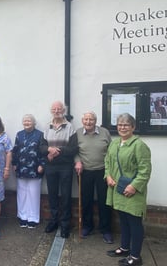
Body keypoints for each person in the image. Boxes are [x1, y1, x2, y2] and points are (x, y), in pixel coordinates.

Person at [105, 113, 151, 266]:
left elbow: (145, 170)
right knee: (123, 221)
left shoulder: (139, 145)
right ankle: (125, 248)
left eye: (126, 125)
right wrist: (108, 176)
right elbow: (108, 162)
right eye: (120, 124)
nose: (122, 127)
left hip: (132, 192)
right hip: (117, 190)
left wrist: (134, 186)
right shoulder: (115, 143)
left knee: (134, 223)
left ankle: (136, 257)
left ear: (133, 127)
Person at [40, 101, 78, 238]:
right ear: (51, 111)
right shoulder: (47, 126)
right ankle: (54, 221)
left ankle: (65, 224)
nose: (57, 111)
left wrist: (58, 151)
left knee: (66, 196)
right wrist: (49, 149)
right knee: (52, 195)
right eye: (54, 109)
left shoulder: (70, 127)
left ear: (63, 110)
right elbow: (41, 147)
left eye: (59, 109)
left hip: (65, 166)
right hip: (50, 166)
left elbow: (74, 148)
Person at [74, 111, 113, 243]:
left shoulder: (104, 132)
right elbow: (74, 151)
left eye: (91, 119)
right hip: (84, 171)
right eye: (86, 119)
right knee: (86, 200)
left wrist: (110, 171)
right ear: (82, 121)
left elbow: (111, 151)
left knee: (104, 201)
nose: (88, 122)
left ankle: (106, 229)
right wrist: (77, 161)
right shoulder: (78, 133)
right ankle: (87, 226)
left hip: (103, 171)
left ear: (95, 121)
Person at [12, 114, 45, 229]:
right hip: (21, 168)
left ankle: (33, 218)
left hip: (35, 169)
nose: (27, 123)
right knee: (22, 194)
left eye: (29, 121)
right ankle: (22, 217)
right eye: (25, 121)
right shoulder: (19, 134)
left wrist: (42, 164)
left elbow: (43, 151)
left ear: (34, 123)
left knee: (33, 194)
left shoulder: (40, 134)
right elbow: (15, 150)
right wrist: (14, 163)